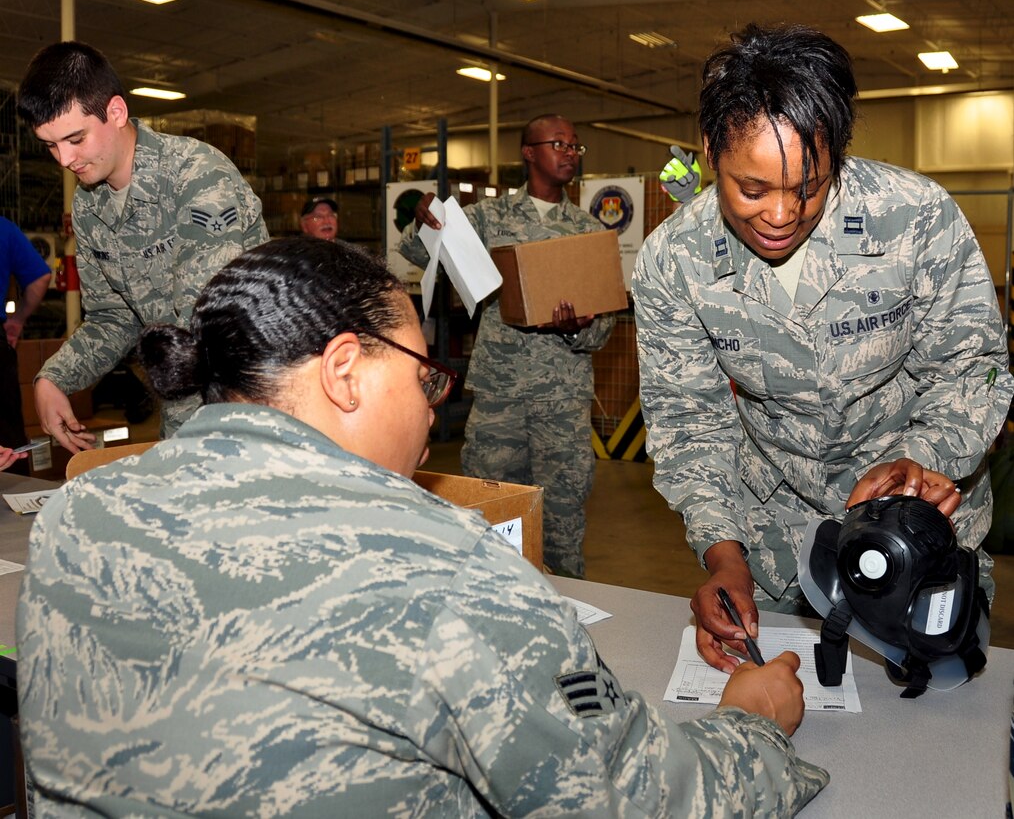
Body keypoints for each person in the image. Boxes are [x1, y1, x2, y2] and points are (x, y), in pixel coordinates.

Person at [17, 236, 827, 815]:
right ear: (343, 371)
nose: (434, 405)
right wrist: (751, 726)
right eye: (423, 375)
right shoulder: (444, 562)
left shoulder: (81, 514)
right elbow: (630, 802)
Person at [633, 23, 1013, 673]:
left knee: (942, 729)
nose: (780, 214)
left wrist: (920, 462)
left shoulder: (915, 217)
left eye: (808, 187)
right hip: (776, 536)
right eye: (750, 189)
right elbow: (690, 424)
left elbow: (971, 368)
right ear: (708, 152)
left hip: (919, 532)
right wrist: (724, 556)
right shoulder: (675, 263)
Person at [15, 40, 268, 454]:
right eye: (50, 145)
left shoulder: (196, 176)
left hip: (248, 414)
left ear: (116, 112)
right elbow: (114, 319)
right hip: (183, 422)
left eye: (75, 139)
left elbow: (206, 327)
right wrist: (54, 378)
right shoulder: (90, 203)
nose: (64, 160)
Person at [399, 113, 615, 578]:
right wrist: (426, 220)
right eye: (559, 143)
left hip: (562, 398)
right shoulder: (488, 218)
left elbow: (604, 329)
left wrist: (577, 327)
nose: (569, 153)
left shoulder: (588, 231)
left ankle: (572, 614)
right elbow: (419, 254)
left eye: (575, 146)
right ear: (528, 152)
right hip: (501, 395)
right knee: (491, 510)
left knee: (562, 519)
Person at [0, 217, 51, 474]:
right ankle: (16, 507)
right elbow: (41, 277)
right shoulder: (3, 228)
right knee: (7, 442)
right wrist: (17, 320)